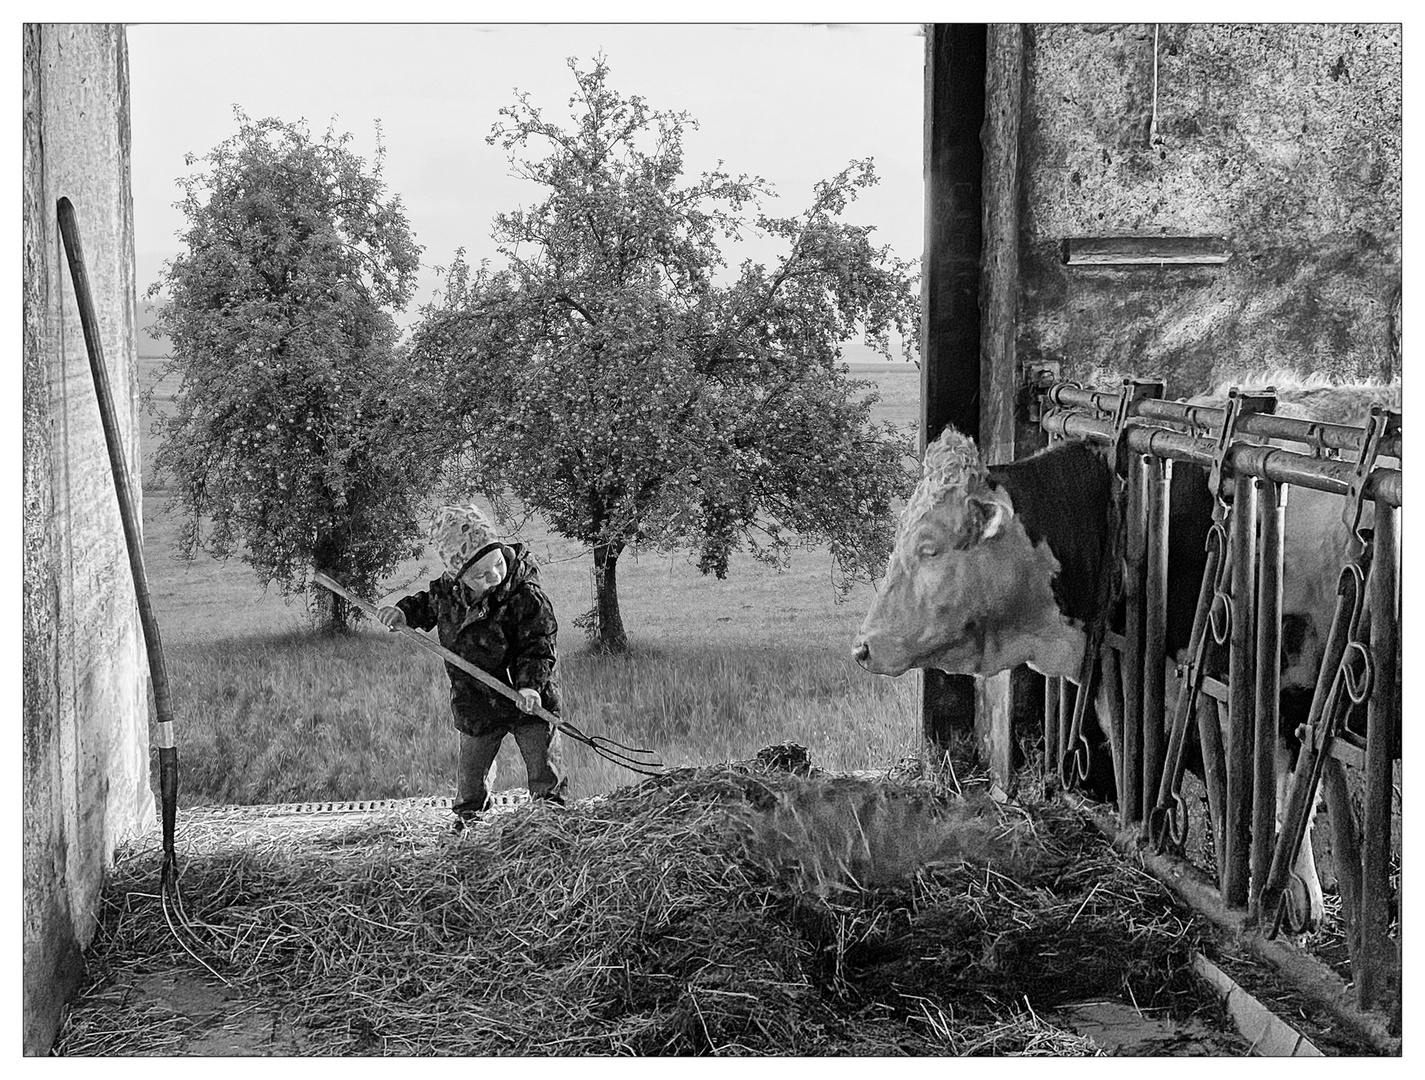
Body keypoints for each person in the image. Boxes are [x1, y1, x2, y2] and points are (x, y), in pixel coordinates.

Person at [378, 504, 566, 829]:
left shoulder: (526, 596)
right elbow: (426, 603)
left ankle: (552, 820)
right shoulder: (449, 591)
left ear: (501, 552)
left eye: (496, 564)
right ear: (459, 575)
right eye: (480, 574)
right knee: (471, 772)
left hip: (527, 698)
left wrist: (530, 686)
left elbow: (539, 646)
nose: (493, 576)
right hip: (476, 699)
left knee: (542, 765)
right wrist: (403, 613)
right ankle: (468, 820)